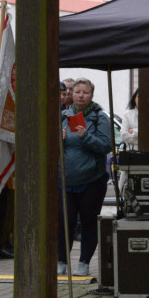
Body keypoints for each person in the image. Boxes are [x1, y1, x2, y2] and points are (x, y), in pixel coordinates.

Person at [58, 78, 111, 276]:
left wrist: (86, 137)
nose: (81, 96)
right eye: (77, 92)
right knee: (65, 222)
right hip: (65, 180)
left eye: (85, 92)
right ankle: (61, 261)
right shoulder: (63, 115)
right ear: (71, 94)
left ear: (91, 95)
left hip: (92, 180)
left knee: (88, 222)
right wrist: (59, 139)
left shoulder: (99, 117)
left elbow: (106, 146)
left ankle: (84, 263)